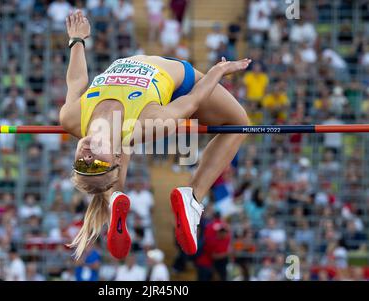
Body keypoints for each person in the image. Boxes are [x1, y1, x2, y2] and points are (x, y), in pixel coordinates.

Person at [59, 10, 251, 260]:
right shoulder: (150, 123)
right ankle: (192, 196)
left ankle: (114, 196)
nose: (86, 155)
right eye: (95, 162)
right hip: (180, 82)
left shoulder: (72, 118)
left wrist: (77, 40)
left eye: (81, 163)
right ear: (115, 158)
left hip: (131, 118)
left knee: (119, 136)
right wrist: (217, 72)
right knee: (239, 123)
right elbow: (192, 100)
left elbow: (75, 81)